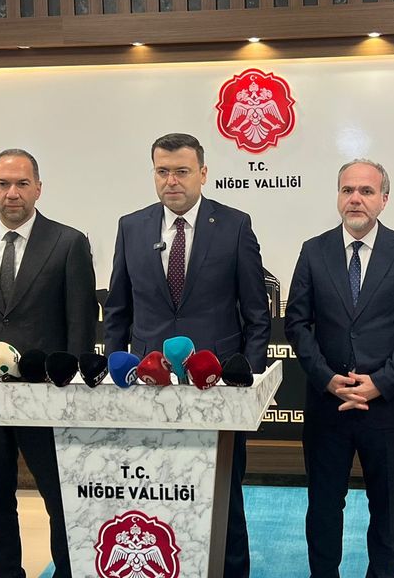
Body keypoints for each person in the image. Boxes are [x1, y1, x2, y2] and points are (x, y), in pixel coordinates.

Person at [103, 132, 271, 578]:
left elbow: (257, 315)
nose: (171, 181)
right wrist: (115, 377)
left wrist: (246, 381)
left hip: (217, 390)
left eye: (181, 171)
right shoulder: (131, 226)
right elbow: (117, 311)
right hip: (147, 389)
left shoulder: (235, 225)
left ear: (203, 173)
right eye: (162, 171)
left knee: (223, 498)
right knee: (156, 492)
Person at [0, 148, 97, 578]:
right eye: (4, 183)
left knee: (59, 499)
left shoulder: (68, 243)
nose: (13, 193)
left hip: (47, 396)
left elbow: (80, 326)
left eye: (22, 183)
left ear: (38, 189)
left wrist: (73, 395)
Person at [284, 159, 394, 578]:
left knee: (386, 508)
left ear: (384, 199)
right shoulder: (313, 251)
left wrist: (380, 382)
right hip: (327, 406)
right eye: (347, 190)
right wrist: (327, 379)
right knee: (323, 506)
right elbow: (296, 322)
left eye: (366, 191)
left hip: (385, 408)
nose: (355, 198)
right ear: (338, 196)